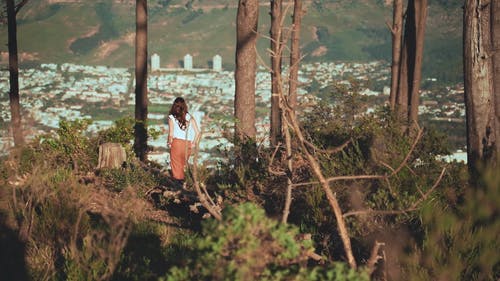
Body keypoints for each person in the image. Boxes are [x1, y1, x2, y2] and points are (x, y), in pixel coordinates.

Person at [167, 97, 200, 186]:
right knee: (182, 165)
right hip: (187, 144)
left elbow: (170, 133)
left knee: (176, 165)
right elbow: (197, 133)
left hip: (177, 143)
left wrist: (169, 142)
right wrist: (193, 143)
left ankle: (178, 185)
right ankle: (183, 184)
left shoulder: (171, 117)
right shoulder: (189, 117)